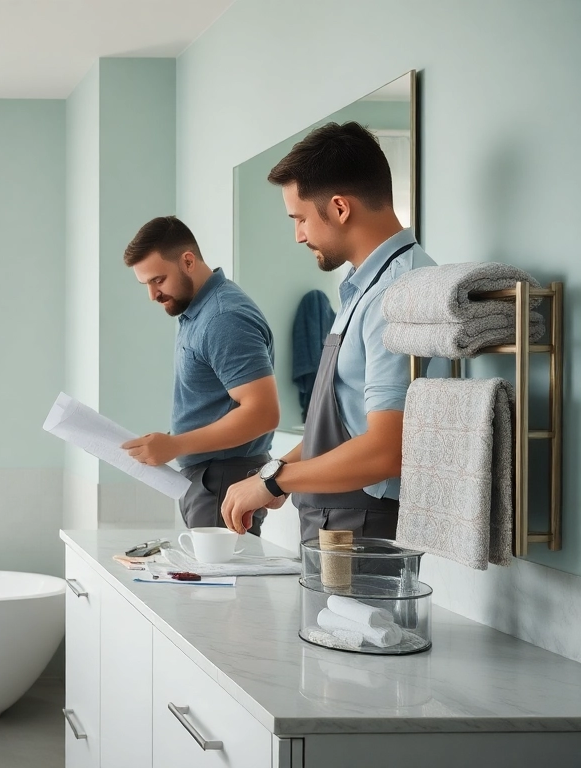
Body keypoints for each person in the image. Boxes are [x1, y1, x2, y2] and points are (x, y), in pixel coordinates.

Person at [220, 122, 437, 542]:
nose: (298, 234)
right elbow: (343, 422)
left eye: (300, 218)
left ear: (339, 208)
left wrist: (273, 482)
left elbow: (386, 449)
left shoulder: (395, 295)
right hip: (336, 524)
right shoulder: (364, 287)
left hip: (363, 529)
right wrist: (277, 472)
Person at [121, 216, 279, 536]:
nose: (152, 295)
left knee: (213, 585)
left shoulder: (223, 317)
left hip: (223, 479)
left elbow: (263, 413)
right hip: (210, 479)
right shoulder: (197, 311)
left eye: (158, 280)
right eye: (146, 285)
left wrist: (176, 444)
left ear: (188, 261)